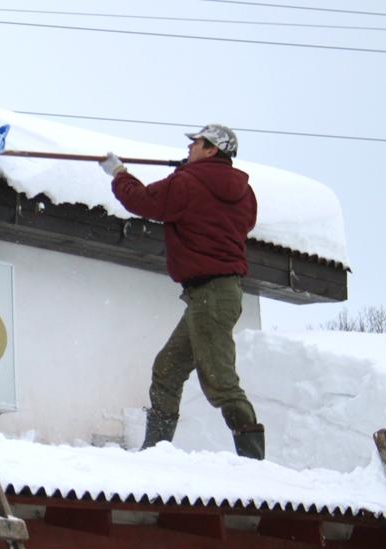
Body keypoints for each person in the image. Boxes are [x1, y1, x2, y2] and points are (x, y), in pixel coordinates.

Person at [99, 124, 265, 460]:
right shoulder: (243, 191)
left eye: (196, 143)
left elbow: (142, 201)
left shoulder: (187, 183)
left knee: (219, 380)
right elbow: (241, 221)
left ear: (212, 149)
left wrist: (119, 173)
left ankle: (253, 459)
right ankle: (156, 452)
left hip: (211, 295)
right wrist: (189, 176)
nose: (189, 147)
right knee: (168, 369)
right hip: (217, 294)